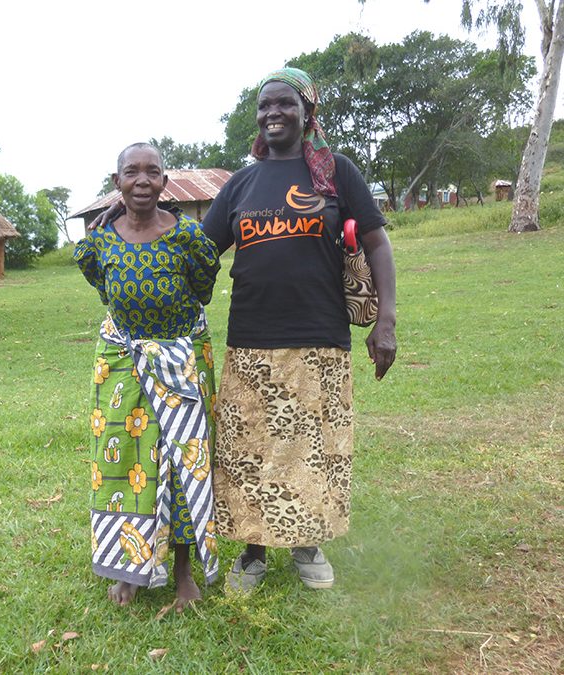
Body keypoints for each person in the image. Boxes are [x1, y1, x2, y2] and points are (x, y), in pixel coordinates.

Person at [202, 67, 397, 592]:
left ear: (307, 111)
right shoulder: (241, 184)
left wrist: (386, 321)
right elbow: (201, 252)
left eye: (284, 103)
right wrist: (136, 233)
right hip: (251, 339)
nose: (272, 113)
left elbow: (377, 245)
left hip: (320, 338)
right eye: (264, 105)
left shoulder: (335, 174)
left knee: (313, 447)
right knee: (248, 451)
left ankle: (307, 546)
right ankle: (253, 552)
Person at [74, 142, 222, 610]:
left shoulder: (190, 238)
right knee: (126, 464)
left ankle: (182, 572)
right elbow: (105, 292)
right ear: (116, 181)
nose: (142, 180)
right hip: (121, 363)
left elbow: (204, 291)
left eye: (152, 172)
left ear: (164, 181)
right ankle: (131, 568)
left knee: (181, 465)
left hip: (181, 362)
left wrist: (166, 341)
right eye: (131, 172)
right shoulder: (97, 244)